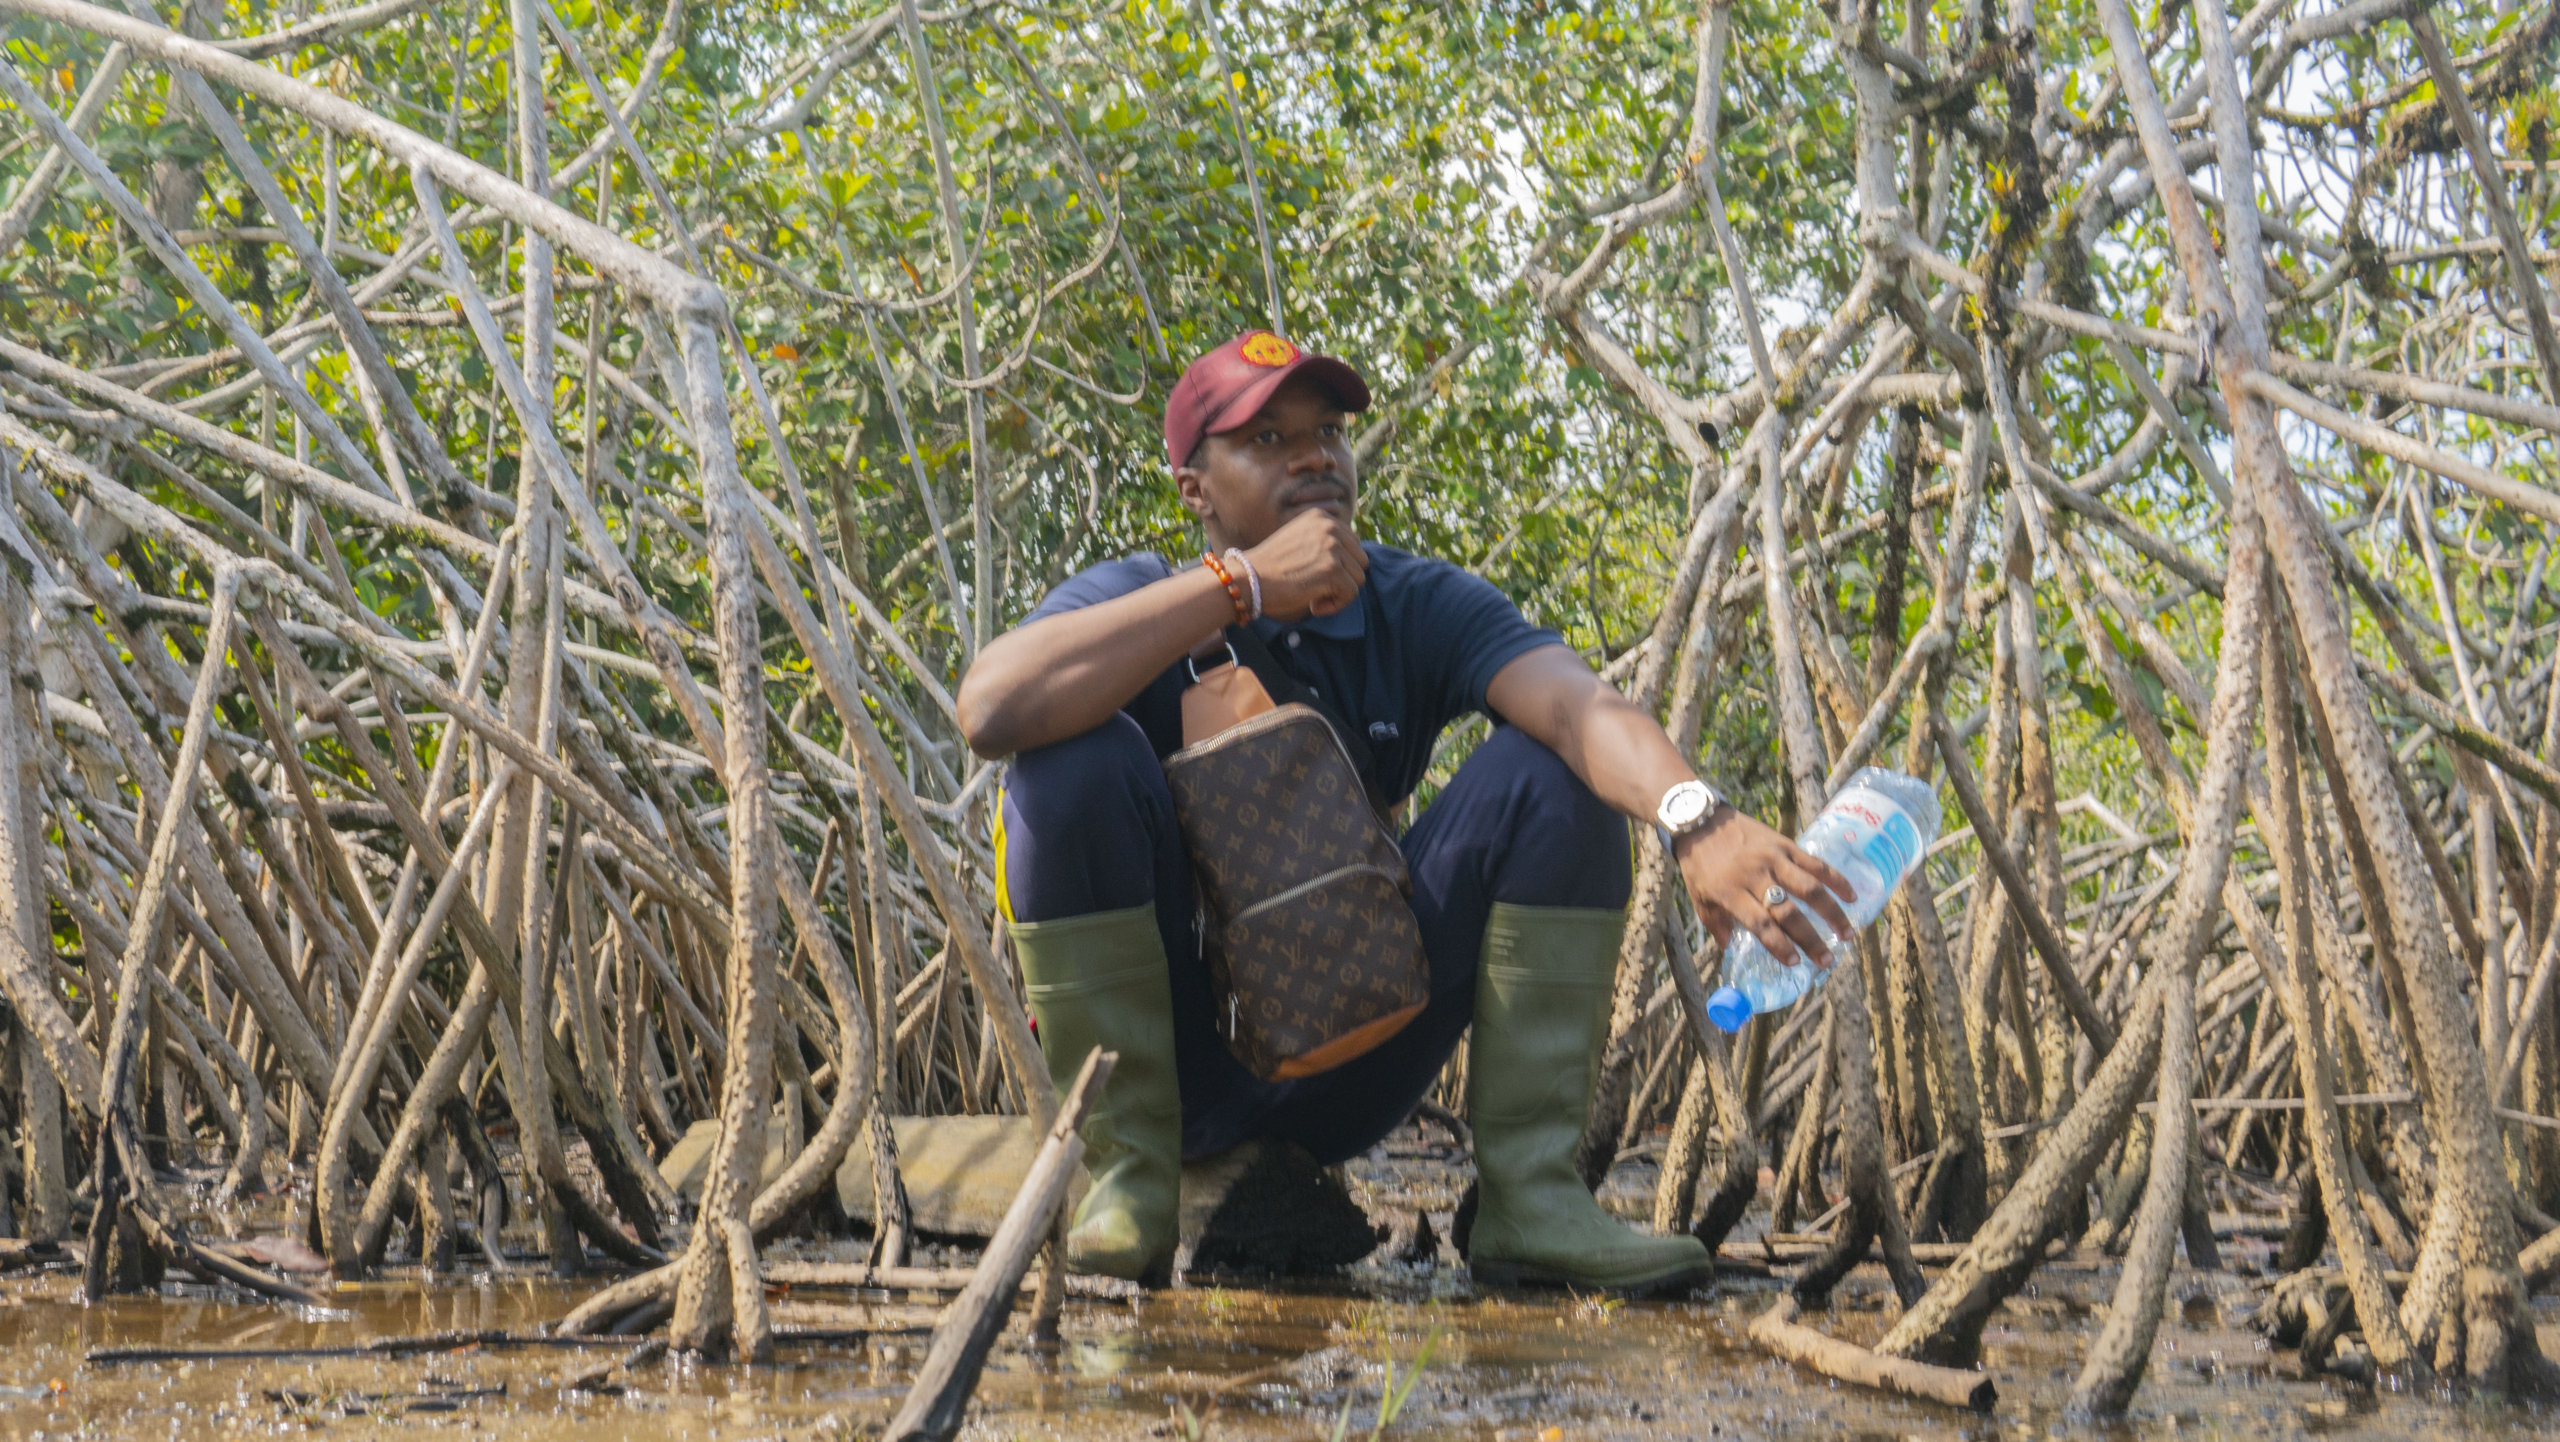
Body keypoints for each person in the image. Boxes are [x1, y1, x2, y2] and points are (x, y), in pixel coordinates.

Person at [956, 330, 1854, 1292]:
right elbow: (992, 706)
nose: (1313, 457)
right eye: (1266, 440)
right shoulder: (1135, 600)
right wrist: (1239, 589)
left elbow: (1578, 704)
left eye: (1329, 432)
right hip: (1168, 1084)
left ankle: (1531, 1199)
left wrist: (1696, 818)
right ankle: (1126, 1183)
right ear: (1195, 489)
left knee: (1551, 768)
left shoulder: (1412, 604)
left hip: (1348, 1054)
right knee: (1063, 760)